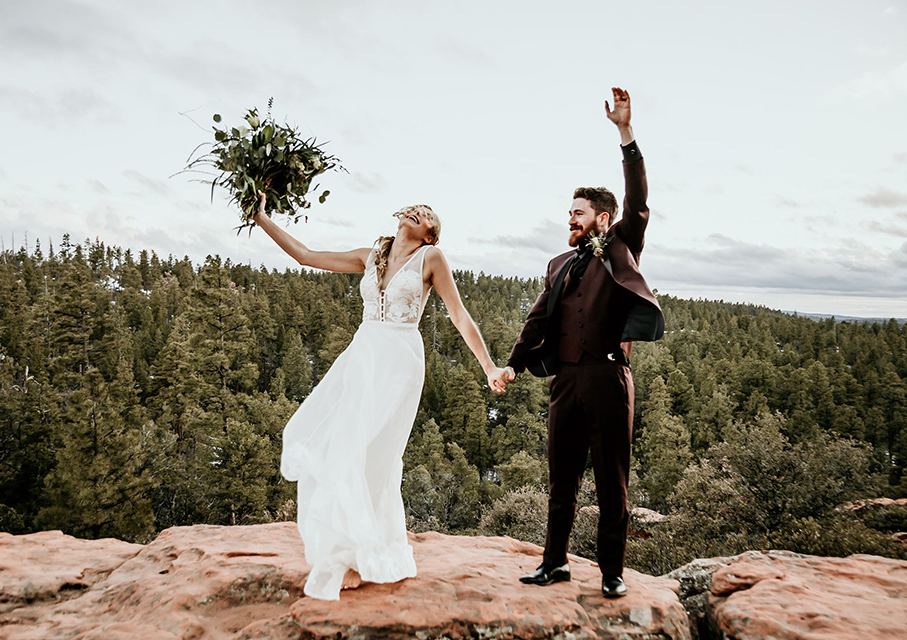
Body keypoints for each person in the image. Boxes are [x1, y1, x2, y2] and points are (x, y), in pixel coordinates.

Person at [252, 194, 509, 600]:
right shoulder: (370, 256)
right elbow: (305, 255)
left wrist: (490, 367)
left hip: (401, 361)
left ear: (430, 234)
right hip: (362, 355)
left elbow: (459, 315)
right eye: (415, 206)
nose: (417, 211)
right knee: (341, 444)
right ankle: (349, 552)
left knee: (377, 455)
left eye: (427, 215)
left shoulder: (432, 259)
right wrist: (262, 218)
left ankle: (360, 555)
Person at [495, 88, 664, 598]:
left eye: (579, 212)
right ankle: (554, 563)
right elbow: (536, 319)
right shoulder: (557, 265)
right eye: (569, 212)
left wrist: (625, 134)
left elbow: (638, 198)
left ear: (602, 218)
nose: (570, 218)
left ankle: (612, 573)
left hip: (609, 377)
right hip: (565, 380)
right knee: (561, 479)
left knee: (612, 482)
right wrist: (511, 366)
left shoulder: (620, 245)